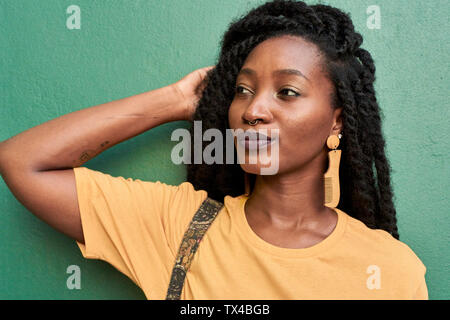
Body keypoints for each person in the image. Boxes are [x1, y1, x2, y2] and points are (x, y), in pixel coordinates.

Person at [0, 0, 427, 299]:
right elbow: (22, 162)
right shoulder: (178, 226)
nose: (254, 109)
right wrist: (174, 101)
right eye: (242, 90)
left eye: (288, 91)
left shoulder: (390, 270)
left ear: (337, 120)